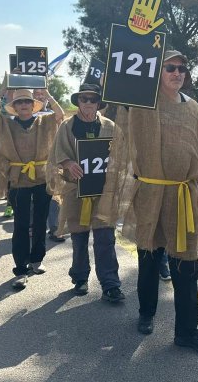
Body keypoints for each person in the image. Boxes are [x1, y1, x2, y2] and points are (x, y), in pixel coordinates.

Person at [98, 50, 198, 355]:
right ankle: (146, 313)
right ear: (157, 72)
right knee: (150, 259)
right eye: (170, 68)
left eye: (182, 69)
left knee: (187, 265)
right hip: (150, 194)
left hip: (183, 196)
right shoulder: (141, 104)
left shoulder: (191, 107)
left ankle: (187, 331)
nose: (178, 73)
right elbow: (118, 111)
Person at [0, 83, 64, 290]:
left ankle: (36, 260)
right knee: (21, 225)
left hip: (41, 179)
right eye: (19, 102)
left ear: (33, 104)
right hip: (18, 180)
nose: (23, 105)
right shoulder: (7, 124)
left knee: (40, 222)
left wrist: (47, 93)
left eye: (27, 101)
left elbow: (60, 115)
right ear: (14, 106)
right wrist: (2, 91)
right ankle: (20, 269)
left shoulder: (44, 121)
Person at [49, 83, 124, 303]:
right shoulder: (67, 126)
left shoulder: (111, 127)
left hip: (103, 192)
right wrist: (69, 162)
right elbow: (58, 152)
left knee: (105, 239)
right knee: (79, 238)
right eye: (84, 99)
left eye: (93, 99)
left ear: (99, 103)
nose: (89, 103)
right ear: (78, 102)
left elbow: (121, 153)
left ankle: (110, 284)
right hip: (76, 191)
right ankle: (80, 278)